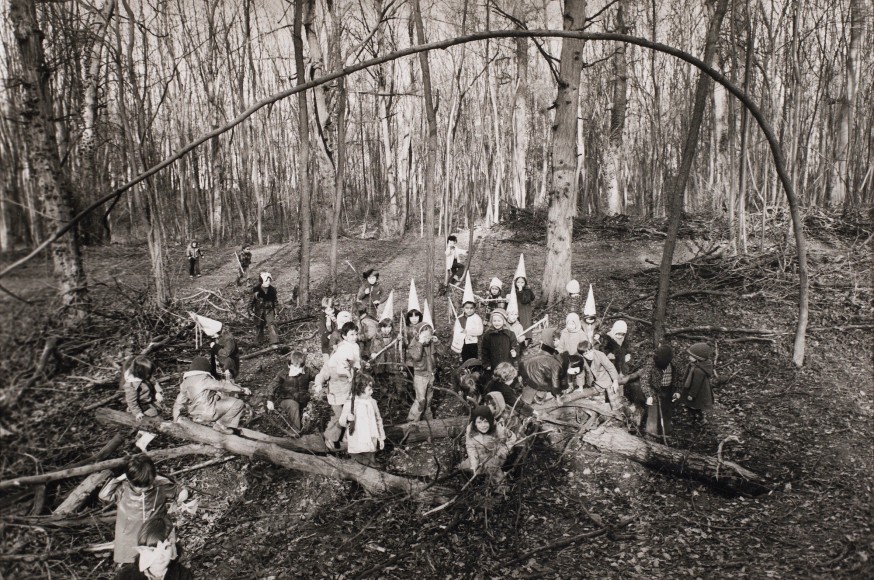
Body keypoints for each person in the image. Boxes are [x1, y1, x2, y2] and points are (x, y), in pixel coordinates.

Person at [98, 454, 182, 565]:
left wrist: (182, 494)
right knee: (135, 567)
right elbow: (103, 496)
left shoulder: (160, 486)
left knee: (160, 564)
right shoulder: (122, 489)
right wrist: (119, 478)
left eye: (147, 485)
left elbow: (178, 490)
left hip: (156, 534)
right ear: (128, 479)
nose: (143, 489)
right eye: (138, 486)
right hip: (129, 538)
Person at [172, 356, 250, 434]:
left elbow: (178, 403)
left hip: (195, 416)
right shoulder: (204, 379)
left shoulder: (185, 383)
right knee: (238, 403)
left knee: (220, 398)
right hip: (209, 413)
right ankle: (222, 426)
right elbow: (222, 386)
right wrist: (242, 390)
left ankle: (217, 424)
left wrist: (175, 420)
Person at [314, 321, 361, 450]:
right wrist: (318, 384)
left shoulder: (354, 348)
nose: (355, 337)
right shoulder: (336, 357)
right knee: (340, 416)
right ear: (344, 336)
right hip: (336, 392)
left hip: (349, 390)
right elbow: (323, 373)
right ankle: (331, 438)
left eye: (356, 334)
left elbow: (356, 364)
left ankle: (346, 438)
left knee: (350, 414)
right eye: (351, 335)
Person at [622, 345, 679, 439]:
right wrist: (649, 395)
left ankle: (665, 434)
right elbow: (644, 380)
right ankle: (650, 434)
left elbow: (678, 379)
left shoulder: (674, 364)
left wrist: (677, 391)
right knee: (652, 411)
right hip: (652, 389)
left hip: (667, 390)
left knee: (666, 412)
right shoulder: (651, 363)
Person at [115, 515, 193, 580]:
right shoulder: (126, 576)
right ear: (142, 550)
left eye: (166, 548)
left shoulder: (183, 576)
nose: (160, 556)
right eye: (152, 550)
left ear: (173, 547)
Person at [339, 373, 386, 467]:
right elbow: (341, 421)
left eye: (371, 388)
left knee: (370, 459)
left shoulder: (372, 402)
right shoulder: (351, 403)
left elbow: (378, 420)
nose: (372, 392)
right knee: (357, 463)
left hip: (370, 439)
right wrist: (348, 418)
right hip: (356, 440)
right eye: (369, 389)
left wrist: (381, 438)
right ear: (360, 389)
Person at [461, 406, 514, 483]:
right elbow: (470, 447)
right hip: (479, 456)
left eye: (486, 421)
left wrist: (502, 451)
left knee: (492, 471)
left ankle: (500, 487)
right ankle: (475, 482)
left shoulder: (497, 429)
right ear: (475, 423)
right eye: (479, 422)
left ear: (490, 420)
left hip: (495, 456)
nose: (483, 425)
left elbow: (511, 439)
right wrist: (474, 464)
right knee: (465, 467)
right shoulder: (471, 430)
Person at [267, 351, 312, 433]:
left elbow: (319, 377)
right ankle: (295, 432)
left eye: (300, 365)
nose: (298, 367)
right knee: (293, 405)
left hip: (303, 398)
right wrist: (270, 400)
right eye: (296, 364)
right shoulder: (283, 373)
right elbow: (272, 386)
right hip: (286, 399)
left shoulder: (307, 371)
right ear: (291, 363)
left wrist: (320, 382)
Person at [406, 301, 437, 421]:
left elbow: (442, 353)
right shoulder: (414, 345)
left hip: (431, 374)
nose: (427, 340)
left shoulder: (430, 343)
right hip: (420, 376)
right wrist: (420, 343)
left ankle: (428, 419)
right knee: (420, 400)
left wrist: (437, 342)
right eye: (424, 337)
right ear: (418, 336)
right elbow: (417, 357)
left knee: (429, 400)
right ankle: (412, 420)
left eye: (428, 336)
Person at [519, 328, 566, 405]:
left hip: (531, 368)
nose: (559, 342)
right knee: (533, 383)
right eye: (556, 340)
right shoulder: (547, 354)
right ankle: (525, 402)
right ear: (550, 340)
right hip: (529, 370)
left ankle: (537, 396)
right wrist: (558, 397)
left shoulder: (549, 349)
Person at [452, 273, 483, 363]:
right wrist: (459, 334)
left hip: (472, 343)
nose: (469, 310)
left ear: (474, 308)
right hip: (462, 342)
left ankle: (474, 373)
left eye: (471, 308)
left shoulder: (477, 318)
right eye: (467, 308)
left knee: (473, 360)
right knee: (465, 360)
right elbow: (456, 330)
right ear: (463, 308)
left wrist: (468, 332)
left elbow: (480, 331)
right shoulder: (460, 318)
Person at [120, 355, 163, 421]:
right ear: (140, 372)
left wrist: (158, 392)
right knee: (154, 415)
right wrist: (137, 413)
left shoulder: (146, 375)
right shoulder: (132, 385)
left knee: (159, 408)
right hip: (142, 404)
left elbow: (154, 382)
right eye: (148, 373)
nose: (149, 375)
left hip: (150, 399)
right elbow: (131, 401)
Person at [680, 342, 715, 422]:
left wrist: (691, 394)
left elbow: (696, 384)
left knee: (694, 406)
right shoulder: (694, 365)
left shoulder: (698, 371)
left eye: (691, 356)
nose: (689, 357)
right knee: (692, 405)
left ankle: (697, 418)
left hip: (697, 393)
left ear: (698, 358)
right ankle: (694, 416)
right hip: (695, 391)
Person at [578, 340, 620, 405]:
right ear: (582, 355)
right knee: (598, 401)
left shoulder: (600, 355)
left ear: (593, 349)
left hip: (605, 379)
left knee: (614, 402)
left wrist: (615, 381)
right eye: (586, 354)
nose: (589, 355)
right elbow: (581, 373)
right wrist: (580, 387)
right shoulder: (581, 360)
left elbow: (610, 367)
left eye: (590, 352)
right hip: (593, 382)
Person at [250, 272, 279, 346]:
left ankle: (274, 342)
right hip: (259, 311)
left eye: (269, 280)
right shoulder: (256, 290)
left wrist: (276, 311)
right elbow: (251, 301)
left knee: (271, 324)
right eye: (267, 280)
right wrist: (250, 310)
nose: (268, 282)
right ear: (262, 281)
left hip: (269, 310)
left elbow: (275, 302)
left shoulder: (272, 290)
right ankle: (258, 342)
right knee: (259, 326)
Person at [512, 254, 536, 336]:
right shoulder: (516, 290)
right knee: (518, 321)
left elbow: (531, 298)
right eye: (518, 282)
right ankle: (518, 335)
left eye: (522, 282)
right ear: (515, 283)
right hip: (518, 307)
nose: (520, 284)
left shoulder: (526, 290)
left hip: (526, 308)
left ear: (525, 282)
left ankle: (527, 337)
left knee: (526, 322)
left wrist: (529, 290)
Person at [319, 296, 340, 365]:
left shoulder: (338, 313)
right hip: (327, 334)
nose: (330, 312)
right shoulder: (322, 316)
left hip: (337, 332)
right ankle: (326, 359)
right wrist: (328, 334)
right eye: (328, 310)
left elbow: (341, 326)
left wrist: (335, 321)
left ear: (334, 307)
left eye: (331, 309)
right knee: (324, 340)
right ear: (323, 310)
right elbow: (322, 328)